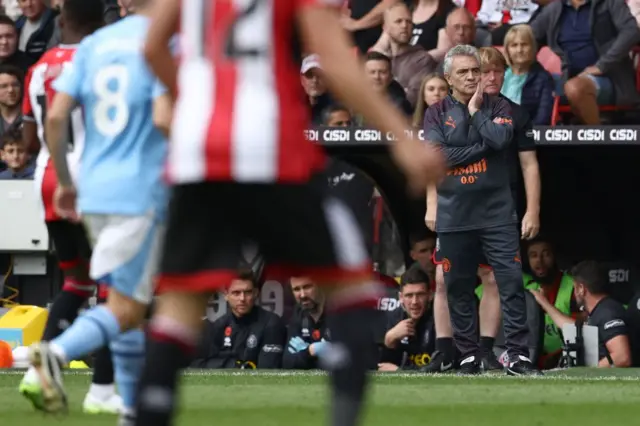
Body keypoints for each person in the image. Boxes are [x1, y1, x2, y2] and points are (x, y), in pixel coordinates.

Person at [137, 0, 445, 425]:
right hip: (270, 149)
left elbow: (152, 46)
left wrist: (196, 105)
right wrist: (402, 139)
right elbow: (333, 57)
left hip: (200, 153)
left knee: (179, 307)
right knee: (351, 284)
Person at [19, 1, 170, 424]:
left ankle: (121, 404)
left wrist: (66, 182)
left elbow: (55, 116)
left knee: (122, 296)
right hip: (138, 187)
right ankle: (55, 353)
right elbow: (163, 116)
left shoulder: (94, 45)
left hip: (93, 189)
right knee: (125, 305)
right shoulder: (161, 41)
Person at [18, 0, 122, 414]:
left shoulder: (39, 66)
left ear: (61, 21)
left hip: (47, 180)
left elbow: (27, 143)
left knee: (76, 283)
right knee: (116, 291)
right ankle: (102, 389)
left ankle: (35, 370)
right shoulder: (104, 60)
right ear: (103, 20)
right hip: (93, 182)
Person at [423, 44, 540, 376]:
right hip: (454, 215)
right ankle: (468, 355)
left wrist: (476, 113)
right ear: (448, 77)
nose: (473, 76)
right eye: (464, 72)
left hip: (497, 214)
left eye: (476, 70)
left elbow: (501, 139)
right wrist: (480, 148)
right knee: (458, 287)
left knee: (511, 282)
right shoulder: (435, 113)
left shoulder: (499, 105)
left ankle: (517, 355)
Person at [529, 261, 632, 368]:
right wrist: (544, 302)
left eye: (574, 287)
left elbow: (622, 357)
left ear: (581, 289)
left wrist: (588, 373)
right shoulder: (598, 311)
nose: (574, 292)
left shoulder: (608, 312)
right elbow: (571, 327)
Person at [192, 268, 286, 369]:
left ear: (256, 293)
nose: (242, 299)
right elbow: (198, 364)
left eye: (248, 292)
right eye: (236, 293)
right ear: (226, 295)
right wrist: (235, 365)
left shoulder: (270, 323)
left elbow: (267, 368)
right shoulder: (218, 325)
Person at [378, 263, 435, 371]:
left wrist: (400, 370)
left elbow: (442, 370)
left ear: (430, 295)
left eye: (420, 294)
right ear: (400, 297)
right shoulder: (393, 318)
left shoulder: (439, 321)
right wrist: (389, 339)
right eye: (409, 295)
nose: (414, 302)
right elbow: (381, 367)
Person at [501, 25, 554, 126]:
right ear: (507, 50)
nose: (519, 50)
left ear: (533, 48)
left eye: (524, 44)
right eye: (514, 45)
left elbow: (542, 119)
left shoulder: (544, 79)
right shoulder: (498, 75)